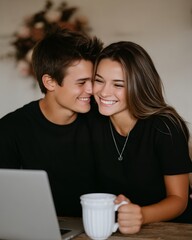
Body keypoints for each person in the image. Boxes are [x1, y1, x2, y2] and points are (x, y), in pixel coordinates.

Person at [89, 41, 192, 234]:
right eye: (99, 80)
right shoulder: (92, 119)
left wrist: (141, 215)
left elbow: (179, 200)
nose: (104, 92)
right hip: (115, 230)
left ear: (139, 85)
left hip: (174, 230)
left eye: (118, 84)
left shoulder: (166, 127)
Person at [0, 28, 103, 217]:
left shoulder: (103, 119)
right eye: (81, 83)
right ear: (49, 82)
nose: (92, 90)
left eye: (93, 81)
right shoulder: (9, 129)